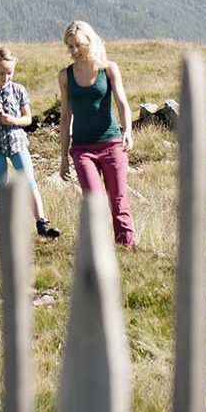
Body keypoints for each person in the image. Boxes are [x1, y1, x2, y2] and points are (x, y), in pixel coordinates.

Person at [0, 47, 62, 239]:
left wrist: (13, 121)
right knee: (2, 186)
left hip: (18, 144)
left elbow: (28, 119)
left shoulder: (19, 90)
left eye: (10, 73)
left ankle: (42, 223)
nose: (6, 77)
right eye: (1, 73)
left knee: (29, 181)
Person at [56, 20, 136, 247]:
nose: (74, 51)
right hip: (81, 149)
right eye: (70, 46)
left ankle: (125, 248)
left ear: (90, 41)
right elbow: (65, 117)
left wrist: (127, 130)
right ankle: (100, 250)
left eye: (78, 45)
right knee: (94, 201)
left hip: (111, 143)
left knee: (119, 199)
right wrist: (63, 157)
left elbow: (122, 103)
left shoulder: (108, 69)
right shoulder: (65, 76)